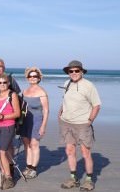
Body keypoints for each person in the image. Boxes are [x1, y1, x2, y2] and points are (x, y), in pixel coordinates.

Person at [59, 60, 101, 191]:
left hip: (83, 124)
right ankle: (73, 178)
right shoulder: (67, 83)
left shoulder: (89, 86)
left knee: (85, 152)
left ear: (81, 71)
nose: (74, 73)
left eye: (77, 70)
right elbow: (65, 100)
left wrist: (89, 120)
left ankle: (89, 180)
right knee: (70, 151)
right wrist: (60, 112)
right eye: (71, 71)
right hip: (66, 124)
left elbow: (96, 105)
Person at [0, 73, 20, 190]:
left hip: (8, 127)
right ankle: (3, 174)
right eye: (0, 83)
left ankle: (9, 177)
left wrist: (2, 117)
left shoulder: (12, 95)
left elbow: (17, 113)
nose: (2, 84)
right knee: (0, 151)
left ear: (9, 83)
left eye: (4, 82)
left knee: (2, 152)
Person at [19, 67, 49, 179]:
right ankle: (28, 166)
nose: (32, 78)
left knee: (34, 144)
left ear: (39, 78)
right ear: (27, 78)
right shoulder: (25, 91)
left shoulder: (42, 92)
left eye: (35, 76)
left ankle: (34, 169)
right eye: (30, 76)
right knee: (27, 145)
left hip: (37, 119)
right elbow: (21, 107)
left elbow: (46, 110)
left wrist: (43, 126)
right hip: (25, 120)